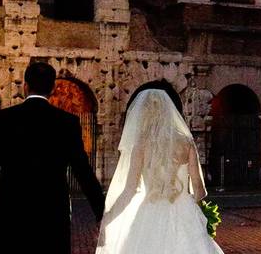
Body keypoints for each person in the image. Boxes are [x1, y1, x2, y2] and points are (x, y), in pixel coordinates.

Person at [0, 62, 104, 253]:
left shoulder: (4, 120)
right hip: (52, 213)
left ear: (26, 86)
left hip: (10, 211)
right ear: (53, 88)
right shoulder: (68, 123)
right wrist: (101, 214)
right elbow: (84, 173)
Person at [96, 88, 224, 254]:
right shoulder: (186, 143)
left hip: (149, 214)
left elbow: (129, 190)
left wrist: (108, 218)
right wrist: (199, 213)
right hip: (185, 214)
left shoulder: (140, 145)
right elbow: (199, 188)